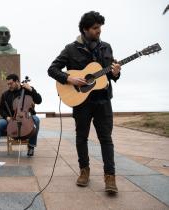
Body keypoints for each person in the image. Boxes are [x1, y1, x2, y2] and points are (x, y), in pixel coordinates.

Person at [48, 11, 121, 194]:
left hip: (103, 99)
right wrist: (69, 79)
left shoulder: (106, 47)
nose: (99, 31)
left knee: (106, 138)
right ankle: (84, 171)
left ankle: (110, 177)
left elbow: (110, 75)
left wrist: (116, 72)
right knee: (81, 137)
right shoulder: (70, 49)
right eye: (95, 28)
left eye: (100, 28)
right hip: (81, 102)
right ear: (85, 29)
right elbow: (52, 69)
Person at [0, 74, 42, 161]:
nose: (9, 86)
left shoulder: (27, 90)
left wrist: (31, 89)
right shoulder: (5, 94)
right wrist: (6, 117)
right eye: (8, 84)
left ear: (17, 82)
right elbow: (1, 109)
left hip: (26, 118)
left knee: (36, 119)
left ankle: (31, 146)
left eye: (11, 83)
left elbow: (39, 100)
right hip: (11, 119)